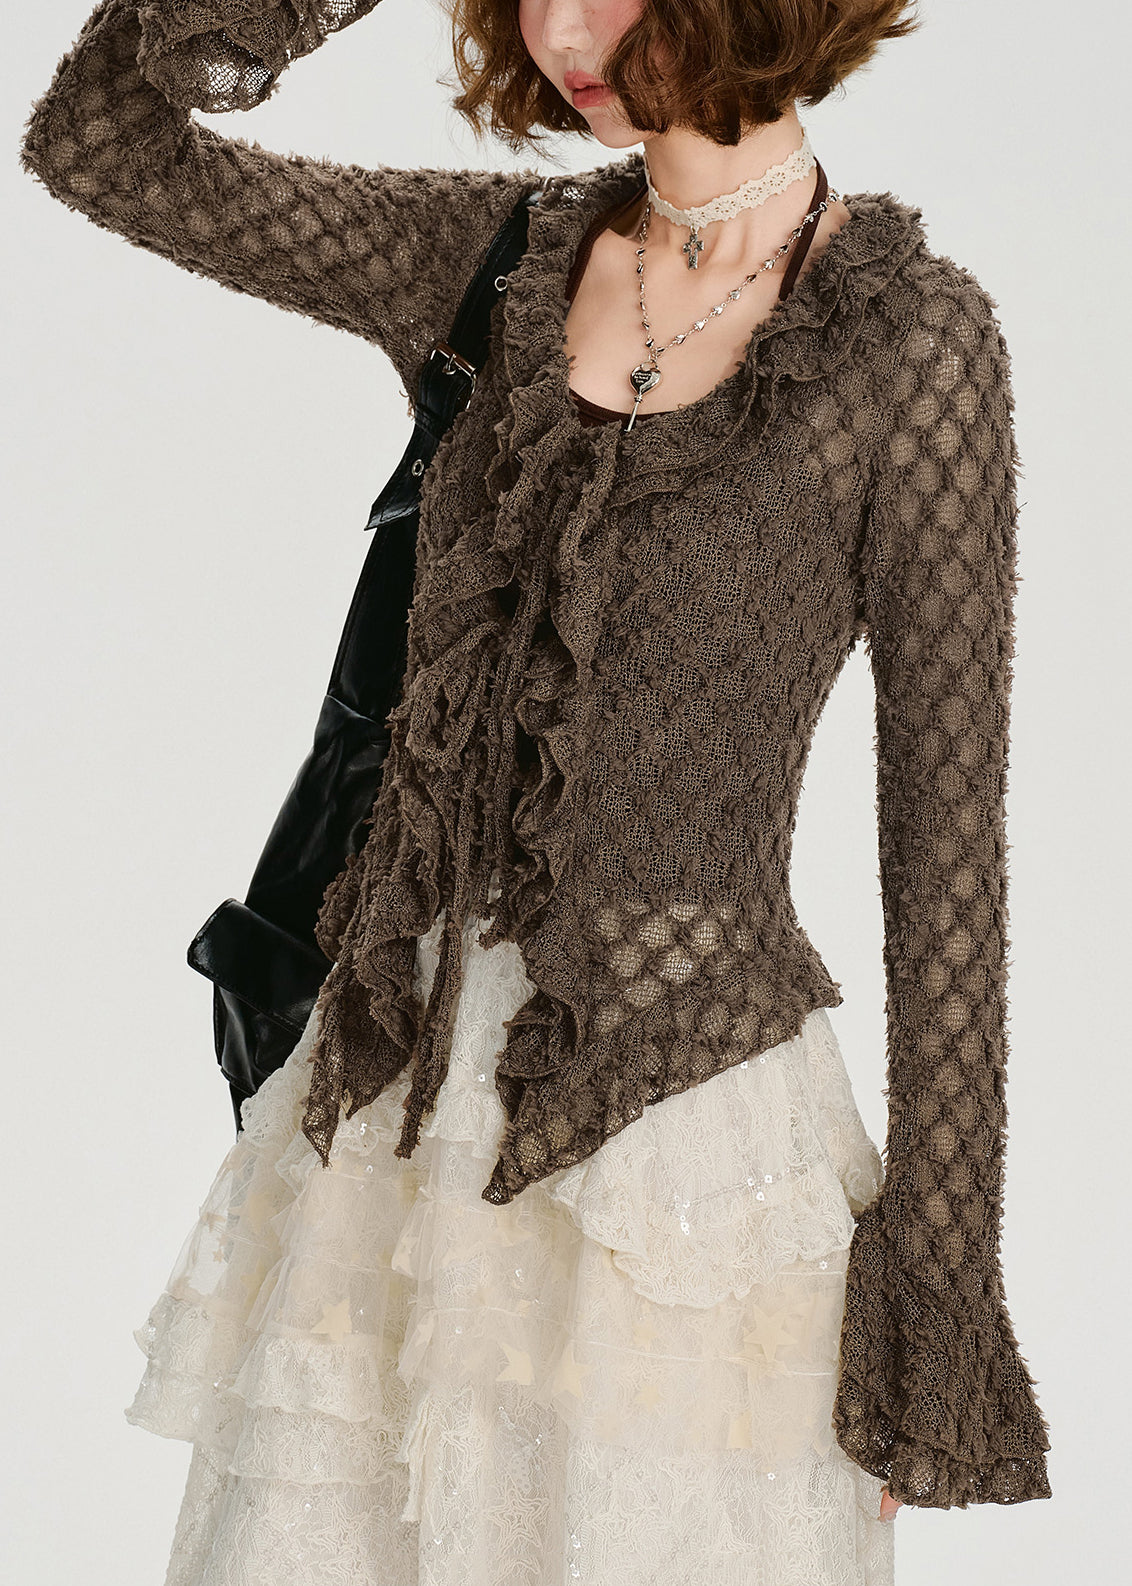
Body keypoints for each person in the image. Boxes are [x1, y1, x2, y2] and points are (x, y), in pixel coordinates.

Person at [19, 2, 1052, 1581]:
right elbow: (99, 145)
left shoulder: (909, 345)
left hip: (686, 1167)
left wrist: (936, 1292)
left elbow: (947, 861)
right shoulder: (491, 263)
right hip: (393, 1133)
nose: (558, 25)